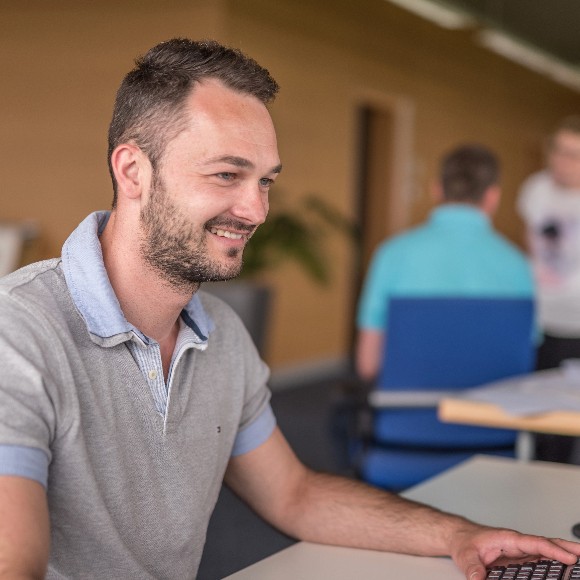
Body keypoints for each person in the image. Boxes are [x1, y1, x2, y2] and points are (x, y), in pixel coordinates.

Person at [0, 39, 577, 580]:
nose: (254, 210)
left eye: (265, 181)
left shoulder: (220, 333)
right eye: (227, 174)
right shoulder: (19, 334)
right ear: (132, 172)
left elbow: (294, 494)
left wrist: (459, 535)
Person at [356, 144, 535, 381]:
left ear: (437, 190)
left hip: (406, 410)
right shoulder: (517, 264)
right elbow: (520, 359)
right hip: (487, 411)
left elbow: (368, 364)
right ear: (493, 196)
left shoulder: (392, 254)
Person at [517, 115, 580, 462]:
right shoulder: (536, 188)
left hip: (578, 322)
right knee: (542, 415)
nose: (562, 161)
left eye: (574, 154)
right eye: (558, 150)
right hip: (541, 321)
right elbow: (533, 247)